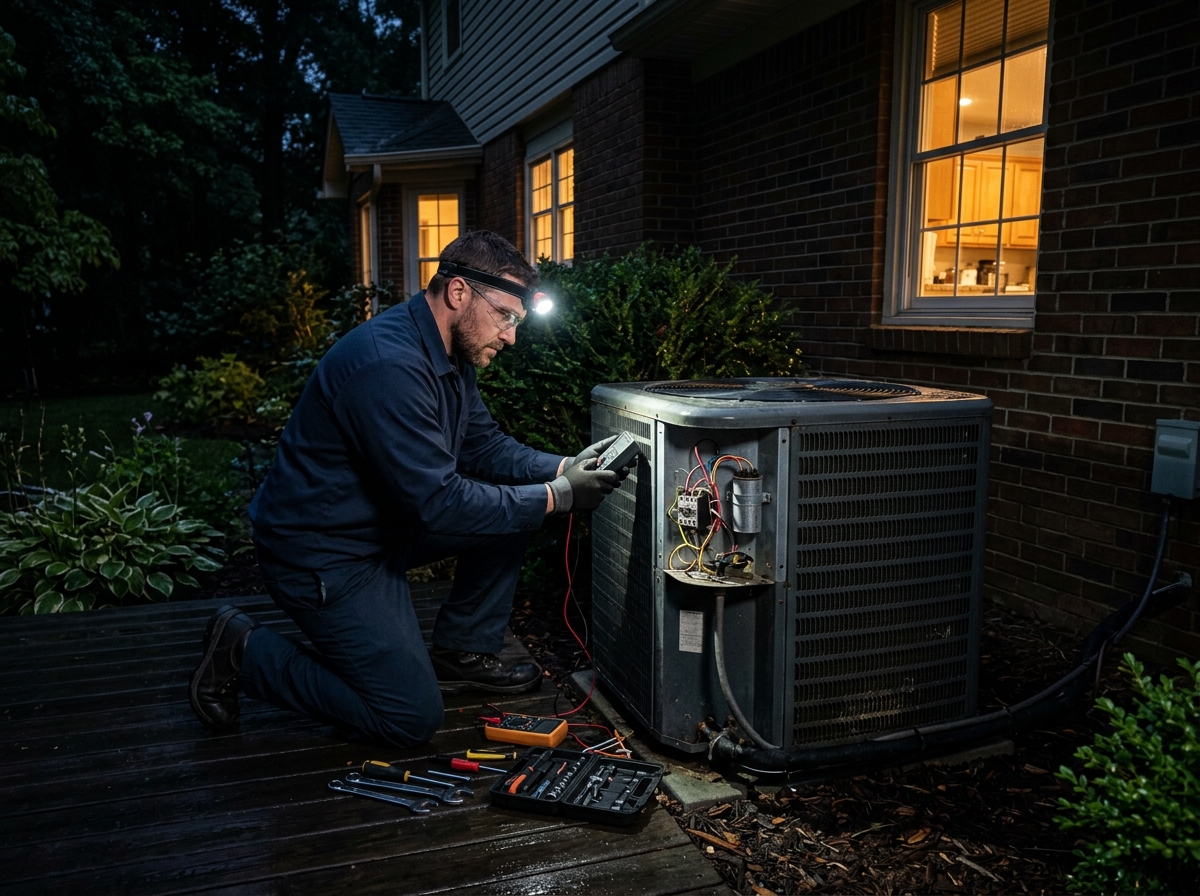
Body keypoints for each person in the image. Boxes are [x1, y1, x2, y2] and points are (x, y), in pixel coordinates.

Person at [188, 231, 624, 746]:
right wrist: (558, 496)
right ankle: (242, 650)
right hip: (322, 554)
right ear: (459, 293)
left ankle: (460, 652)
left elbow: (483, 448)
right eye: (506, 316)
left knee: (511, 514)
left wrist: (565, 466)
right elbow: (440, 504)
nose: (510, 336)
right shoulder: (388, 365)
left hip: (381, 528)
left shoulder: (449, 355)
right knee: (408, 718)